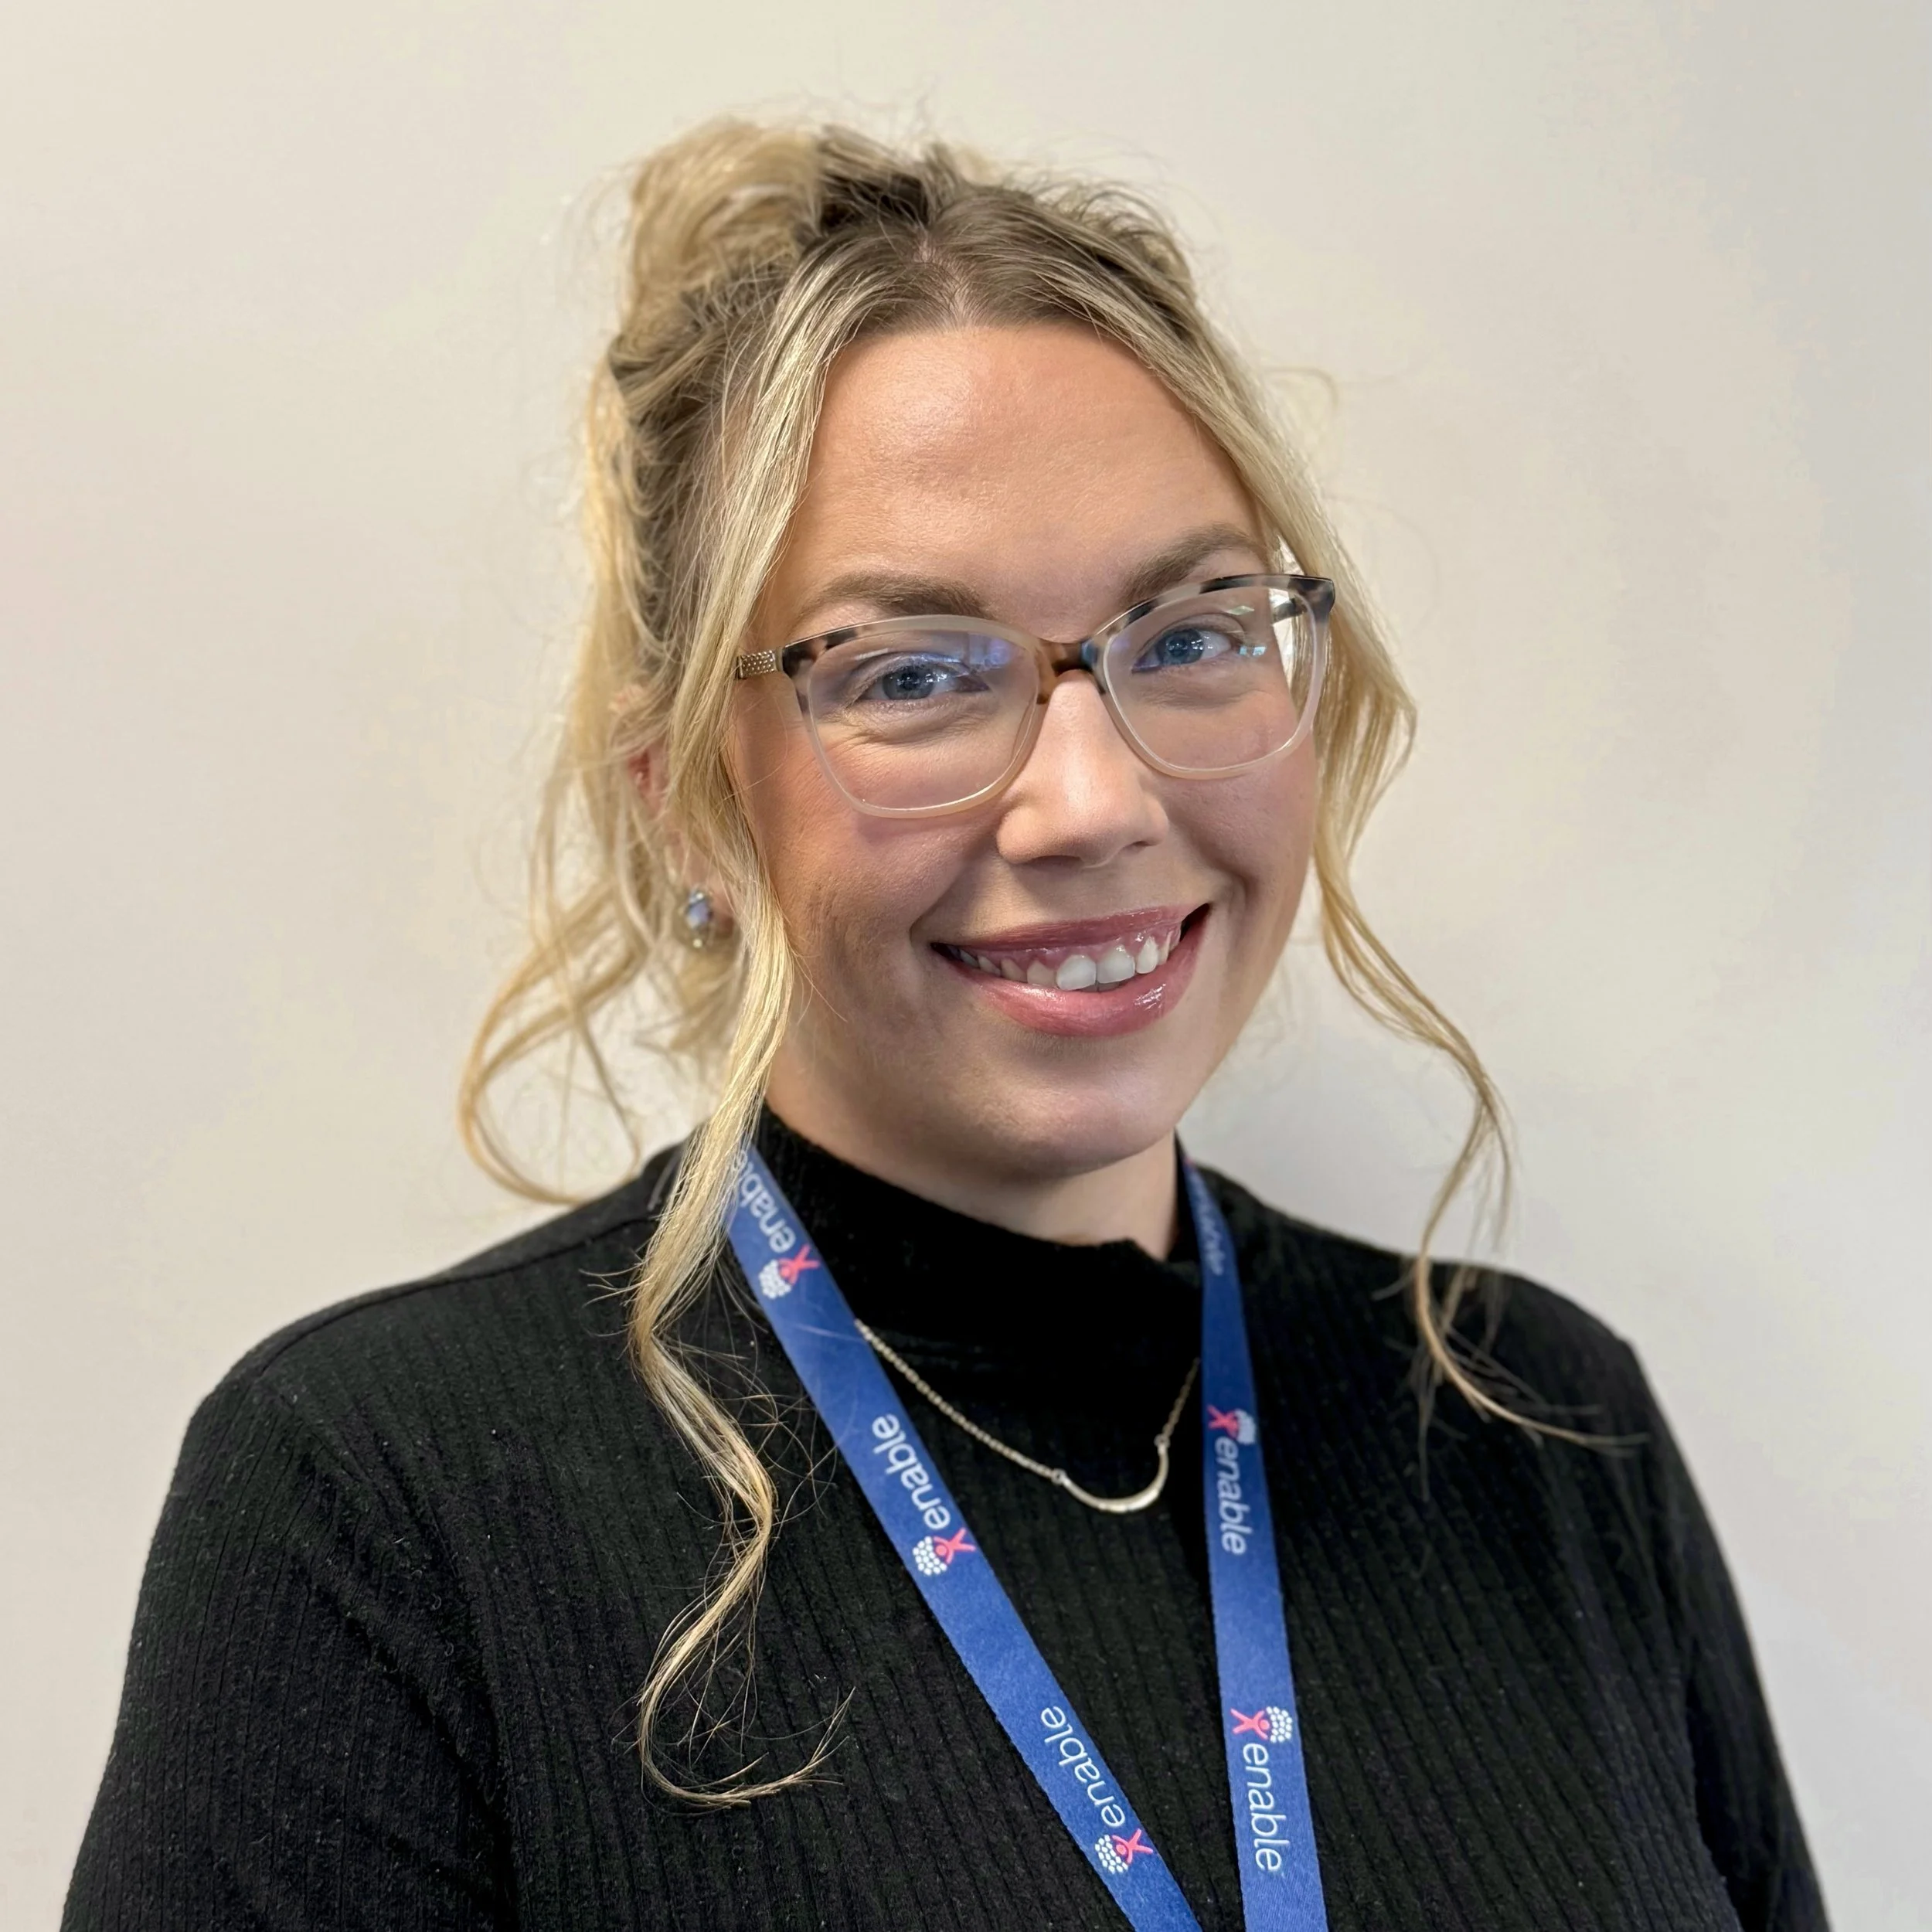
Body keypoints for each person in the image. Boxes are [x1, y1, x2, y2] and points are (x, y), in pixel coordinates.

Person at [63, 121, 1825, 1932]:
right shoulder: (381, 1495)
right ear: (690, 806)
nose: (1092, 802)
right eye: (909, 672)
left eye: (1187, 634)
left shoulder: (1541, 1426)